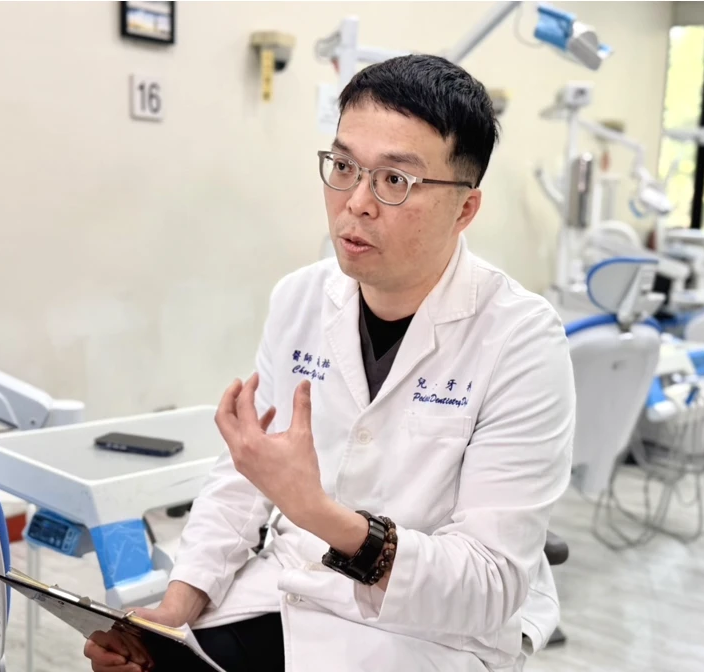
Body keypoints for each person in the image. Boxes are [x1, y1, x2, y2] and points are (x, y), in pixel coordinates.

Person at [84, 54, 575, 672]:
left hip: (430, 633)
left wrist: (318, 513)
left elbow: (488, 583)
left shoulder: (521, 339)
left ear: (465, 209)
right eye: (343, 167)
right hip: (291, 590)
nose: (357, 203)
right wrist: (174, 611)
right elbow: (242, 483)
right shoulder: (300, 298)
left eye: (395, 180)